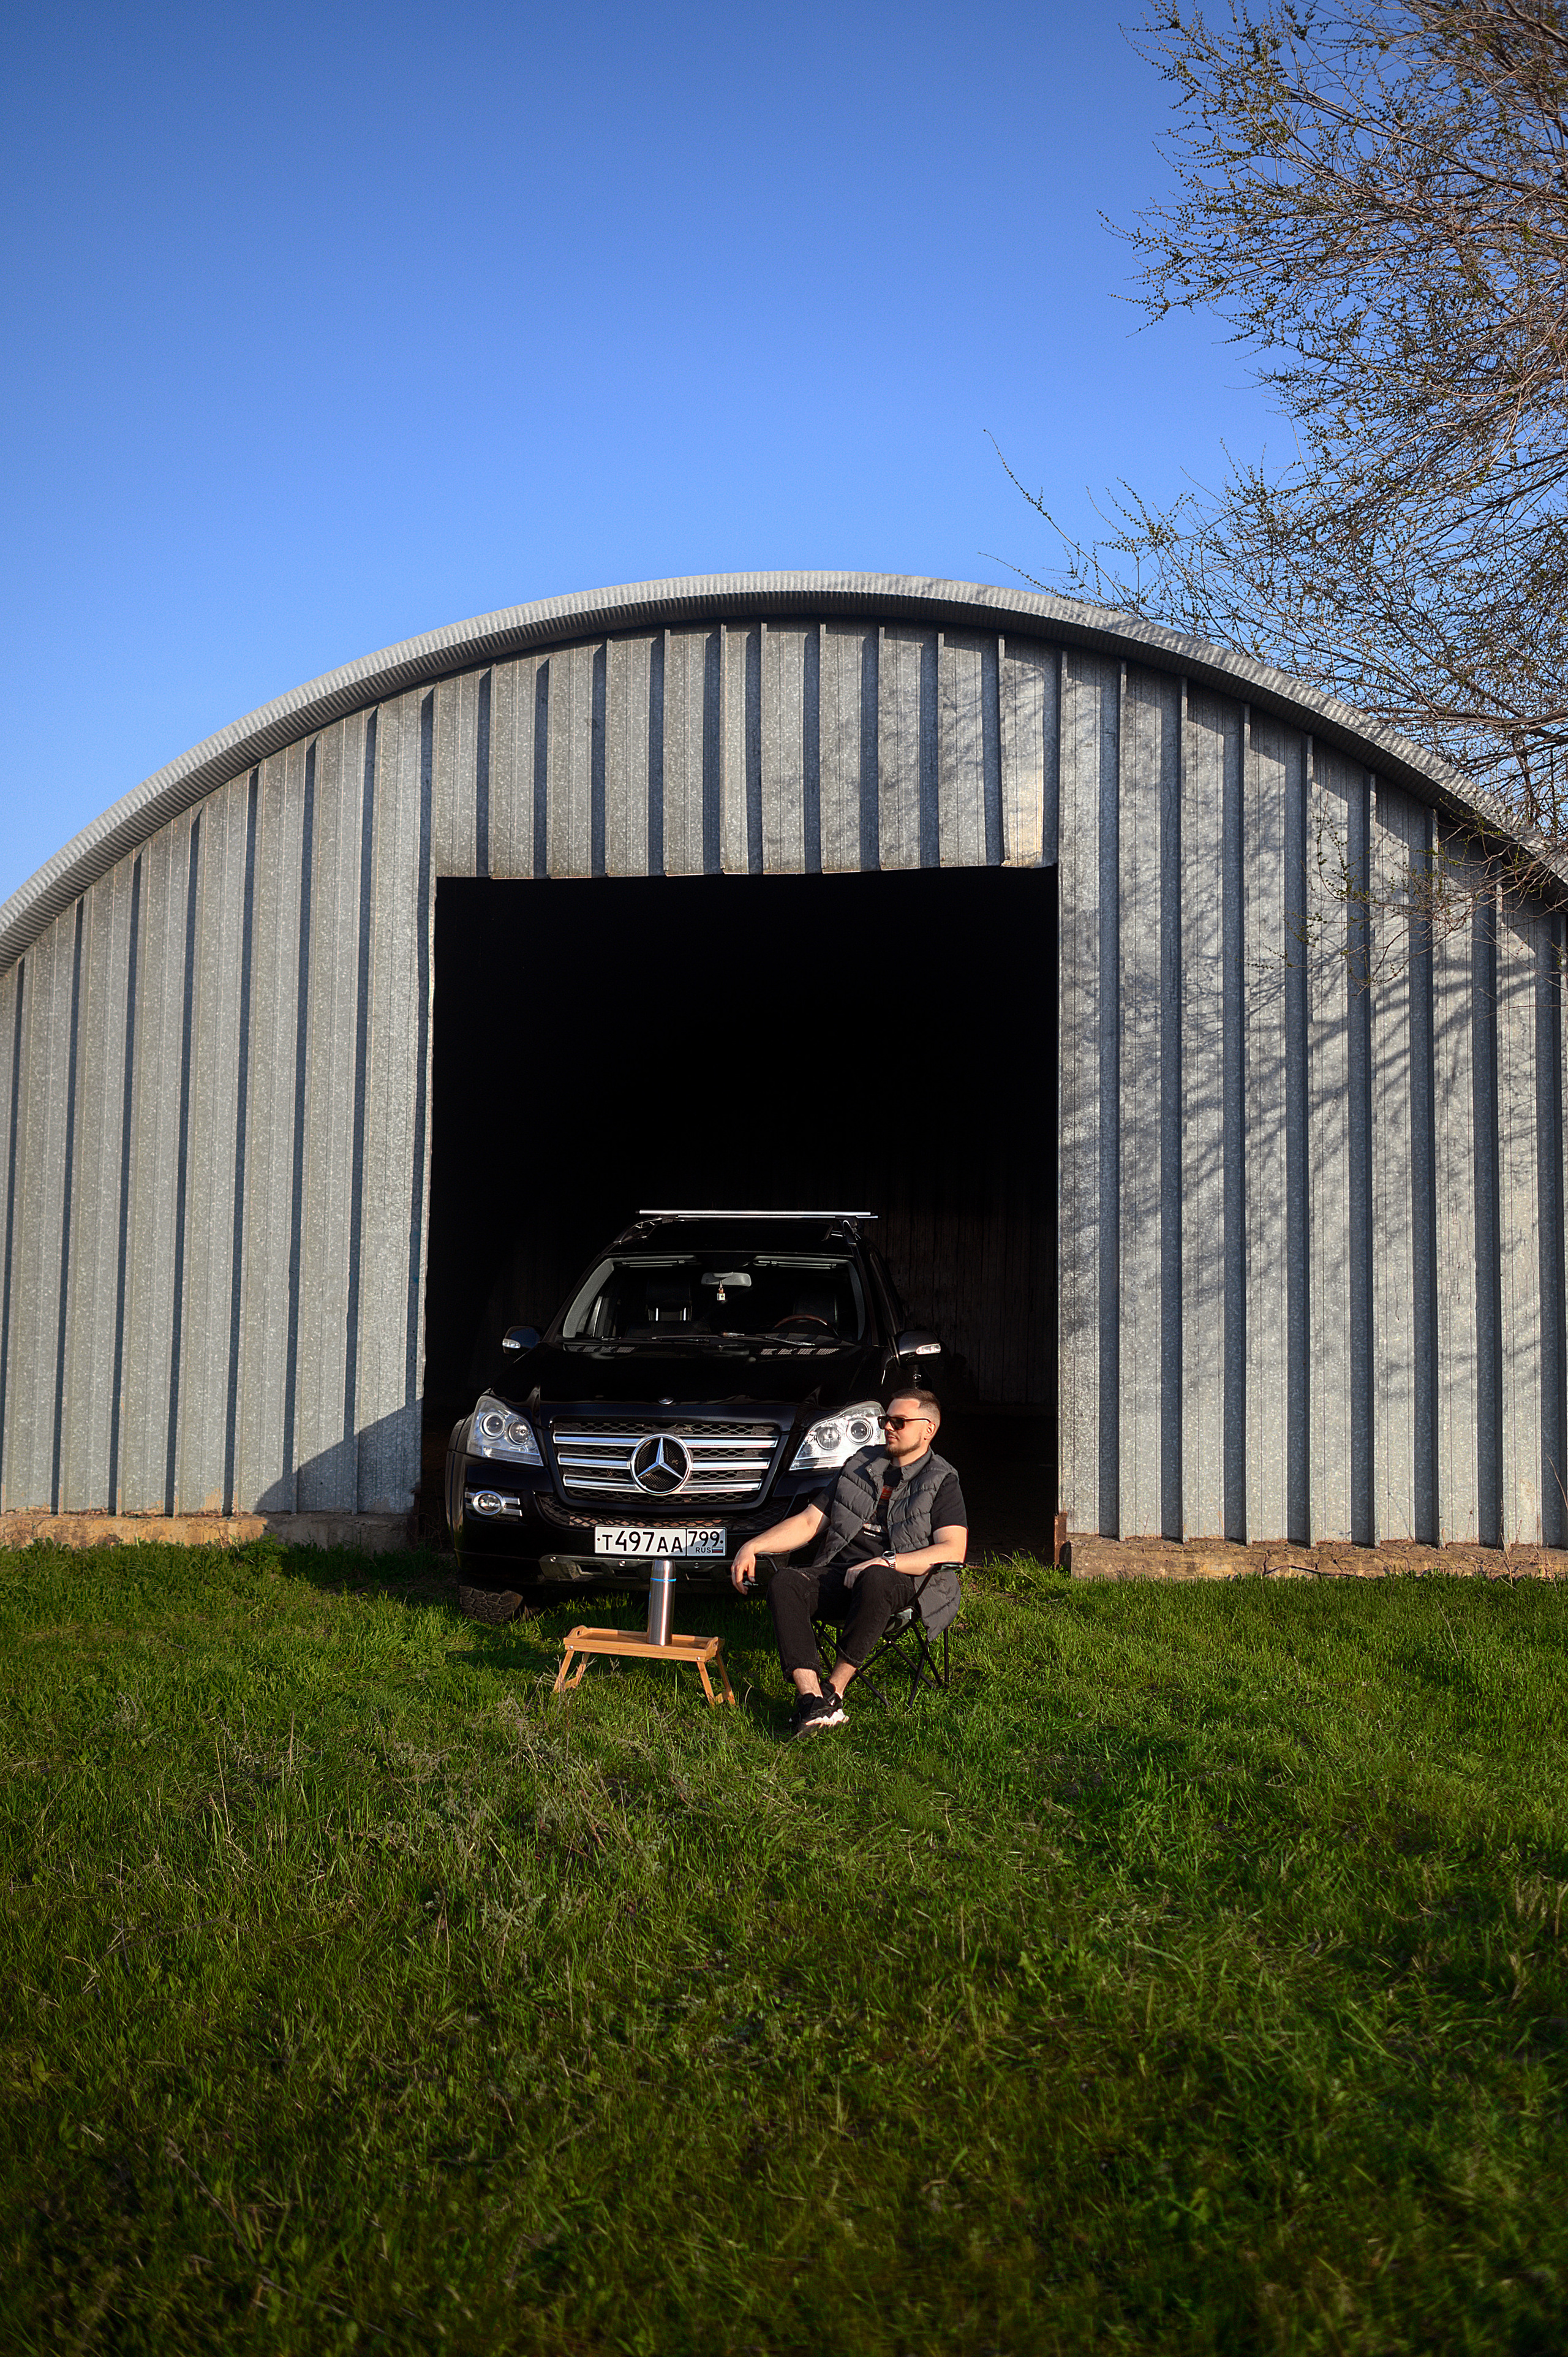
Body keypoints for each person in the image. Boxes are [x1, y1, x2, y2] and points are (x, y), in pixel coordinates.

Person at [731, 1388, 967, 1738]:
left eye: (899, 1422)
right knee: (787, 1583)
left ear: (928, 1429)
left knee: (876, 1580)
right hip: (841, 1575)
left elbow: (952, 1550)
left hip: (905, 1582)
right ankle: (812, 1699)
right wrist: (753, 1545)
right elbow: (810, 1522)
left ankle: (834, 1691)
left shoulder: (941, 1479)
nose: (888, 1427)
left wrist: (886, 1562)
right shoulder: (860, 1464)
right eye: (886, 1420)